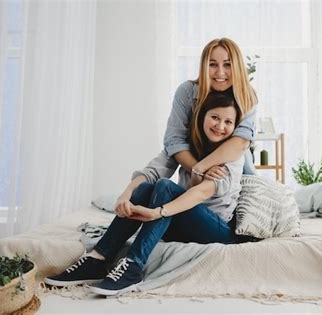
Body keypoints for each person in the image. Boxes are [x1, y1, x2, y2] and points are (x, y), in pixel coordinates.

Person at [44, 92, 246, 296]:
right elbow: (152, 172)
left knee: (165, 187)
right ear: (202, 116)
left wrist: (159, 212)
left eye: (228, 122)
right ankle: (98, 258)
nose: (220, 126)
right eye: (215, 117)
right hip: (183, 220)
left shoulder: (233, 154)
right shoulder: (185, 146)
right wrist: (125, 195)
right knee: (145, 188)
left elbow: (201, 192)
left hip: (217, 229)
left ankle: (132, 265)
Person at [163, 37, 257, 184]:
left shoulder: (246, 95)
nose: (220, 73)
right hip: (194, 181)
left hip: (239, 180)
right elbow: (174, 140)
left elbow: (241, 141)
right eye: (212, 64)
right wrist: (198, 170)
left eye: (227, 65)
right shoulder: (186, 92)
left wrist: (202, 168)